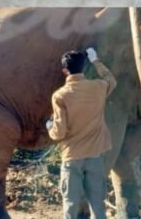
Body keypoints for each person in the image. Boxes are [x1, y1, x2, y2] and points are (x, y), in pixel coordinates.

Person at [47, 48, 116, 219]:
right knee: (97, 205)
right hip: (95, 157)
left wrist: (49, 126)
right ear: (84, 68)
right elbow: (111, 80)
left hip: (72, 158)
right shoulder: (98, 87)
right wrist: (96, 60)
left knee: (71, 205)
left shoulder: (60, 96)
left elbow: (59, 133)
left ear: (65, 71)